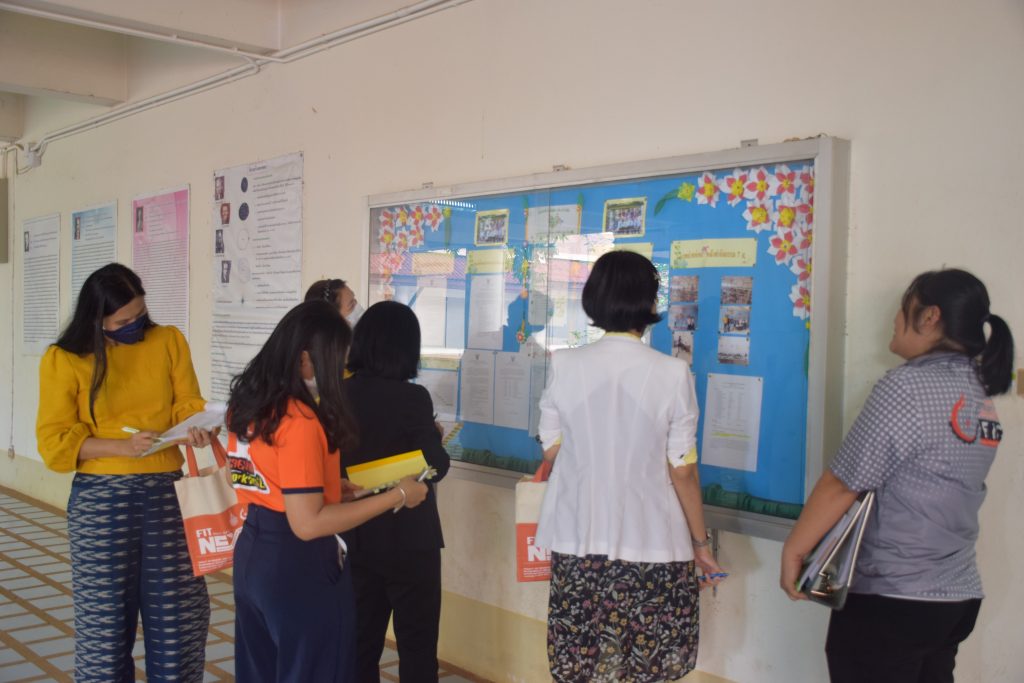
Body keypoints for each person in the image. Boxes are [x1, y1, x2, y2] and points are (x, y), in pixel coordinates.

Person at [780, 268, 1014, 683]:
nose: (893, 319)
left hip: (894, 597)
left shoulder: (907, 386)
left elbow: (843, 483)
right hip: (956, 597)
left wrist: (796, 550)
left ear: (930, 317)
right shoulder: (977, 391)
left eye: (903, 308)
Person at [535, 250, 726, 683]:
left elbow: (552, 449)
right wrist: (701, 544)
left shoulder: (564, 364)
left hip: (578, 543)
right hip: (653, 544)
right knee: (647, 666)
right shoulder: (673, 373)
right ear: (649, 301)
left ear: (594, 299)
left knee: (583, 665)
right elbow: (682, 470)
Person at [227, 300, 429, 682]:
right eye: (336, 359)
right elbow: (307, 523)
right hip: (296, 563)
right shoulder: (300, 419)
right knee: (316, 669)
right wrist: (397, 496)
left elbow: (240, 477)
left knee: (262, 672)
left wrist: (330, 489)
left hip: (252, 554)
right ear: (305, 359)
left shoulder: (249, 404)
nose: (340, 370)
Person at [35, 263, 215, 682]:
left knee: (178, 620)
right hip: (101, 503)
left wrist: (198, 426)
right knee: (105, 630)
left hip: (168, 496)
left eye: (139, 314)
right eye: (122, 322)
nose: (135, 325)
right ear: (95, 319)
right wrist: (122, 447)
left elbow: (187, 403)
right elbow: (54, 442)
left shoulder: (168, 340)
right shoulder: (64, 358)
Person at [342, 301, 451, 682]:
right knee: (418, 649)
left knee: (359, 646)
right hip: (411, 540)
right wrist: (434, 437)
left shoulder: (337, 394)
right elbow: (436, 466)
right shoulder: (412, 398)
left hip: (354, 535)